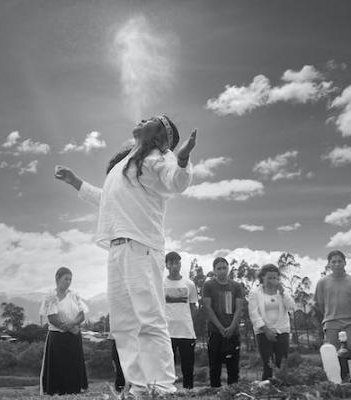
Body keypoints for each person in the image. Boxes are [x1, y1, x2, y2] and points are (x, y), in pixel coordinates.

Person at [55, 115, 197, 396]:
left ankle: (163, 388)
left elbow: (175, 182)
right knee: (123, 325)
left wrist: (182, 160)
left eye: (152, 120)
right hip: (118, 249)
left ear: (160, 137)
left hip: (141, 247)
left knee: (149, 319)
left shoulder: (157, 158)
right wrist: (76, 183)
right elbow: (108, 200)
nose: (143, 119)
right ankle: (141, 387)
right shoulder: (126, 162)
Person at [39, 267, 88, 395]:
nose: (68, 282)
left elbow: (82, 315)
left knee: (73, 365)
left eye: (70, 279)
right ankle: (56, 391)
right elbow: (52, 317)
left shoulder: (74, 295)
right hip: (57, 337)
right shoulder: (50, 296)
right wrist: (69, 328)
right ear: (57, 278)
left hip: (74, 336)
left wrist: (72, 325)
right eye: (66, 279)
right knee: (58, 366)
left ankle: (74, 389)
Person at [248, 264, 295, 380]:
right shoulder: (255, 293)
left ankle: (283, 391)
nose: (272, 281)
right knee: (268, 365)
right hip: (263, 333)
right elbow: (254, 314)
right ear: (262, 277)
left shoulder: (282, 293)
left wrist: (283, 293)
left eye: (275, 278)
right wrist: (266, 330)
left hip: (282, 331)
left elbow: (292, 307)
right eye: (269, 278)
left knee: (281, 365)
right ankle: (266, 393)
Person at [314, 250, 351, 360]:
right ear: (329, 264)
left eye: (340, 261)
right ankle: (334, 378)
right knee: (331, 356)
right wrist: (331, 315)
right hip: (331, 323)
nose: (337, 264)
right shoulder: (322, 283)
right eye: (334, 262)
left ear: (345, 263)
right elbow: (320, 305)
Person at [203, 257, 243, 387]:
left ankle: (233, 393)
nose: (222, 271)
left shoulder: (236, 286)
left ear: (228, 268)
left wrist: (232, 327)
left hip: (233, 333)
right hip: (215, 332)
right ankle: (215, 393)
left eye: (224, 268)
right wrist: (220, 328)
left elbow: (239, 308)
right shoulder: (208, 285)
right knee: (215, 368)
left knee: (233, 369)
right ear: (214, 270)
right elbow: (208, 308)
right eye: (218, 268)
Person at [163, 251, 198, 389]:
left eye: (177, 262)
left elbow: (193, 306)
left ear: (180, 263)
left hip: (186, 332)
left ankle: (188, 391)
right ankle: (168, 390)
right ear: (166, 265)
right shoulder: (161, 283)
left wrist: (187, 321)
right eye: (171, 263)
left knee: (188, 365)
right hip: (167, 333)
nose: (174, 265)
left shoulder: (189, 284)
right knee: (168, 365)